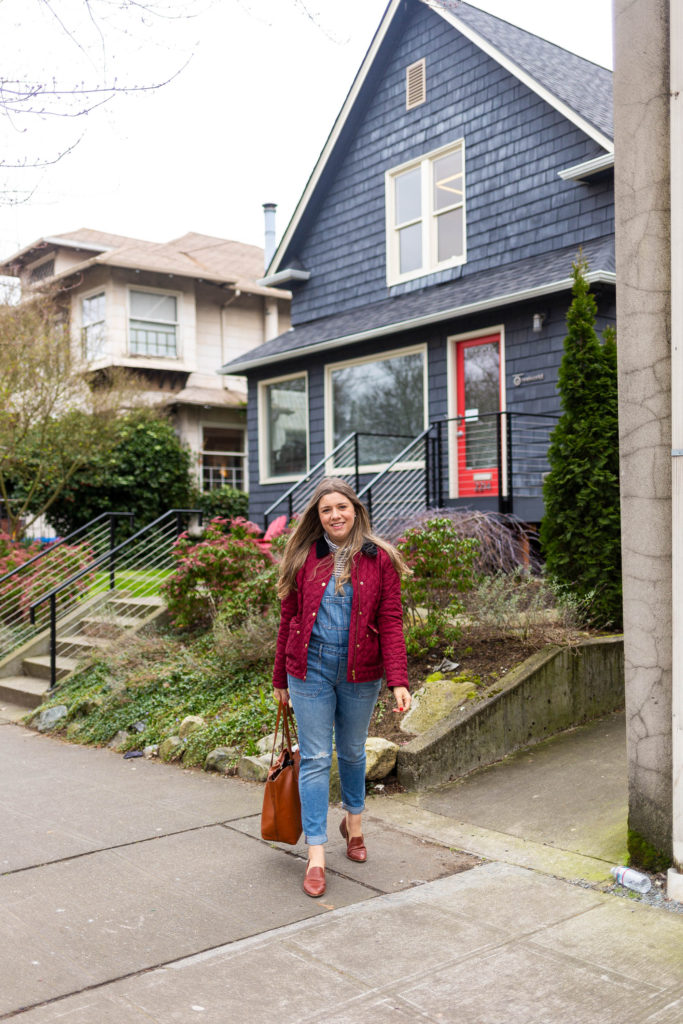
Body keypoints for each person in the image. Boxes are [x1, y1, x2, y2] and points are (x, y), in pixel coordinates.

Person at [273, 477, 411, 898]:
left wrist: (399, 680)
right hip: (308, 671)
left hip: (361, 673)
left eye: (341, 507)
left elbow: (390, 621)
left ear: (356, 510)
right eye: (325, 510)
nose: (334, 515)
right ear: (318, 517)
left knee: (351, 751)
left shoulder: (380, 558)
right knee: (314, 758)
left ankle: (354, 823)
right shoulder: (303, 557)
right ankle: (316, 854)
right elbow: (288, 620)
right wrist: (280, 678)